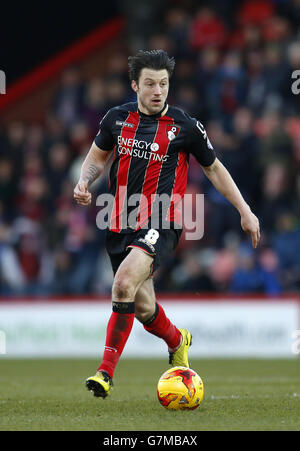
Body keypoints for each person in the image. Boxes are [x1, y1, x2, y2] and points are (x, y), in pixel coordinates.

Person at [74, 50, 260, 399]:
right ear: (135, 85)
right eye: (150, 84)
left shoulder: (185, 126)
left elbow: (214, 168)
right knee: (141, 307)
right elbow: (98, 157)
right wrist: (84, 181)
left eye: (164, 83)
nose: (158, 90)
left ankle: (105, 373)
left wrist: (244, 210)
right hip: (120, 221)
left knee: (123, 283)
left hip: (163, 218)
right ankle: (178, 339)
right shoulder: (116, 118)